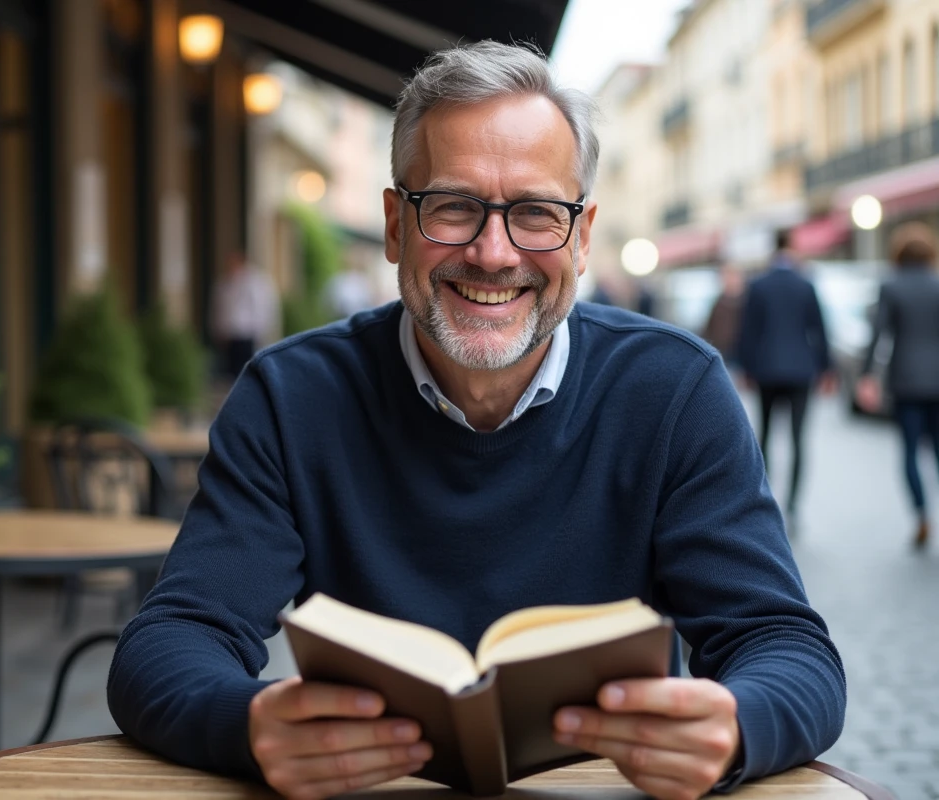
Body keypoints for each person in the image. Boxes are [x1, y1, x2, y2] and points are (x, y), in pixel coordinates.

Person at [109, 42, 844, 800]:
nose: (494, 253)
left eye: (535, 213)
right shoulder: (290, 397)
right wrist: (252, 723)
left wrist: (733, 726)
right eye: (455, 207)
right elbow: (167, 645)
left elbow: (786, 649)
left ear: (583, 236)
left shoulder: (674, 390)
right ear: (396, 223)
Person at [736, 232, 835, 525]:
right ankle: (793, 504)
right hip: (801, 371)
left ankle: (764, 499)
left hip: (766, 370)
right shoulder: (806, 284)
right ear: (792, 249)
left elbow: (748, 331)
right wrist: (827, 368)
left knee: (765, 435)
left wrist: (746, 367)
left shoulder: (758, 285)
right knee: (798, 439)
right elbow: (819, 328)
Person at [856, 222, 939, 549]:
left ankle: (920, 515)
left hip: (905, 380)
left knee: (909, 452)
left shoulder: (890, 287)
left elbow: (878, 335)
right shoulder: (937, 285)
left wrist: (867, 375)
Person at [210, 251, 279, 380]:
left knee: (245, 368)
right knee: (232, 371)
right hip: (231, 333)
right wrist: (219, 329)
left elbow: (260, 307)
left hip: (247, 332)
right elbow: (219, 309)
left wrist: (261, 329)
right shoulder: (223, 283)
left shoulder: (254, 282)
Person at [702, 264, 746, 366]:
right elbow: (709, 328)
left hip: (741, 354)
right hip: (722, 352)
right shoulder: (719, 302)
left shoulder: (747, 301)